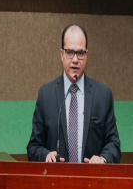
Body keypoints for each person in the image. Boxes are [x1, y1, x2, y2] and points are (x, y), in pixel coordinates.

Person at [27, 24, 121, 163]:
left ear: (86, 55)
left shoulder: (103, 95)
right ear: (62, 54)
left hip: (92, 181)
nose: (75, 60)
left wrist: (103, 159)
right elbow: (33, 147)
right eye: (70, 52)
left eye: (80, 53)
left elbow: (114, 144)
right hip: (56, 181)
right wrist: (46, 155)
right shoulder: (45, 95)